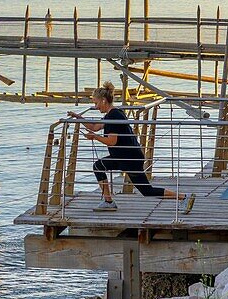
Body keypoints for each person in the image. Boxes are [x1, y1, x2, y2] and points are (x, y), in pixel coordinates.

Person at [68, 81, 194, 214]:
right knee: (98, 166)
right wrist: (78, 118)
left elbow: (111, 141)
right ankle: (108, 201)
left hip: (129, 158)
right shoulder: (114, 113)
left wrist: (94, 137)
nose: (96, 107)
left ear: (104, 100)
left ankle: (184, 197)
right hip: (124, 156)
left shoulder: (113, 116)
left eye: (96, 103)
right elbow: (94, 127)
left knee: (147, 191)